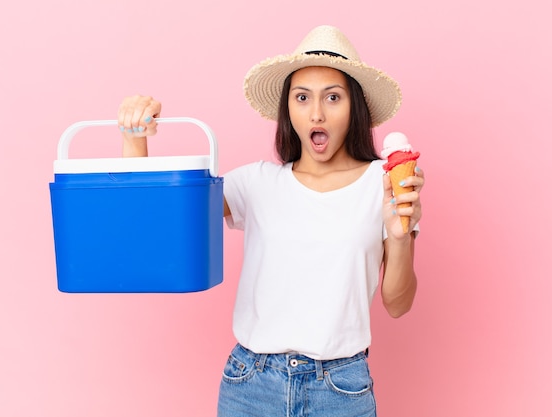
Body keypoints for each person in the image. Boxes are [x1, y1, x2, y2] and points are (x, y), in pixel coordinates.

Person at [117, 25, 423, 417]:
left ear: (354, 107)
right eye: (302, 97)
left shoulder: (383, 186)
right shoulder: (256, 183)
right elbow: (157, 225)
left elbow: (398, 304)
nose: (316, 113)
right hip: (251, 386)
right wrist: (134, 138)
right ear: (288, 108)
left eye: (333, 97)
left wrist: (399, 238)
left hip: (341, 390)